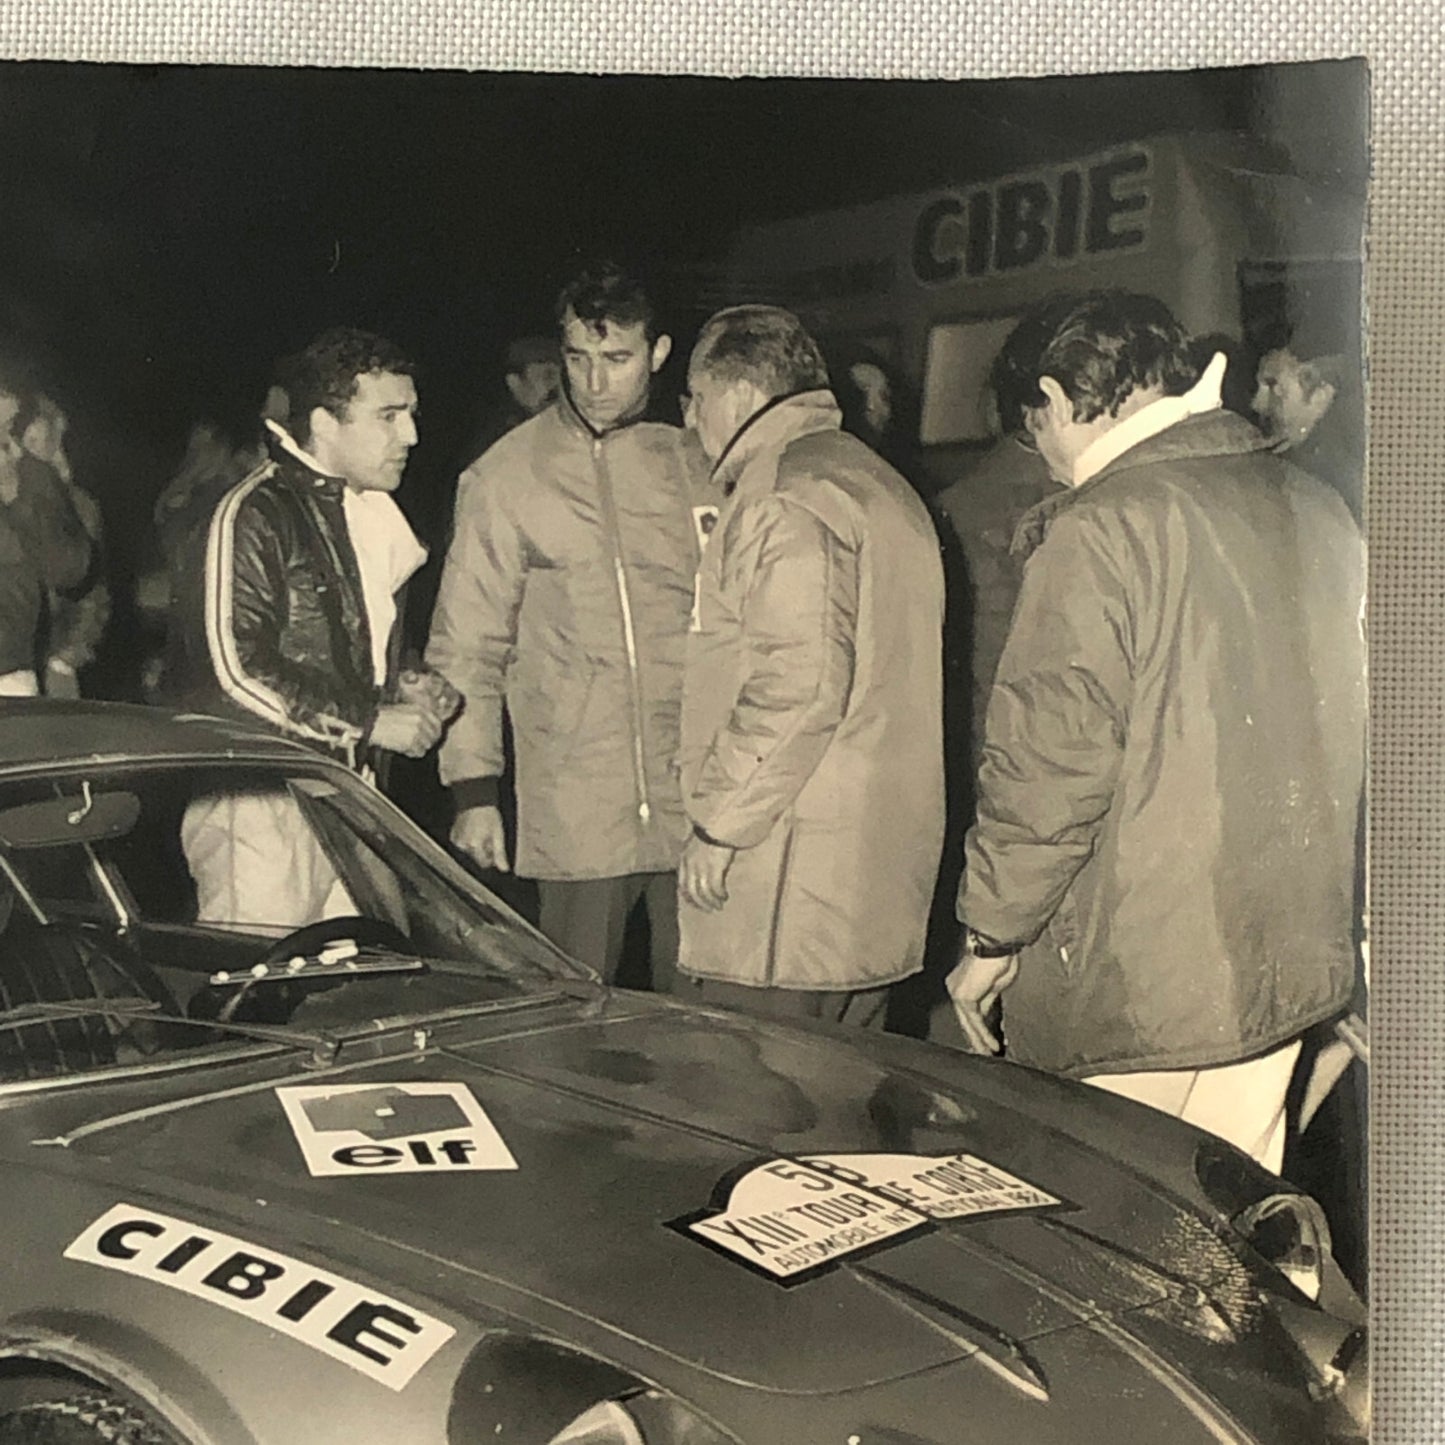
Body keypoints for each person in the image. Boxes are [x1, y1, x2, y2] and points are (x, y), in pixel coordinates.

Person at [945, 291, 1365, 1173]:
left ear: (1057, 402)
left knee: (1104, 1231)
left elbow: (1046, 773)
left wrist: (989, 938)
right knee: (1231, 1227)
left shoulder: (1099, 528)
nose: (1048, 464)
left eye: (1038, 435)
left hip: (1135, 979)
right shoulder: (1317, 504)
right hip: (1282, 963)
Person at [427, 262, 713, 986]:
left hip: (697, 799)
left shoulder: (697, 462)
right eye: (578, 360)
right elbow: (467, 640)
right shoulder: (505, 477)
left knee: (704, 1024)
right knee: (577, 1018)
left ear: (657, 352)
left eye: (616, 359)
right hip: (574, 799)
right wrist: (474, 790)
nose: (593, 381)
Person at [675, 304, 945, 1026]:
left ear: (734, 397)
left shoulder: (779, 497)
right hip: (866, 881)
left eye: (694, 401)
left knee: (748, 1108)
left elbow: (798, 683)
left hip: (785, 888)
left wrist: (717, 825)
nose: (690, 421)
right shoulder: (877, 481)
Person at [165, 327, 455, 926]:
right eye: (389, 416)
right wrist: (372, 719)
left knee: (358, 995)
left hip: (349, 799)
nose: (412, 435)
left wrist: (407, 682)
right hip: (260, 801)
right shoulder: (252, 513)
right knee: (259, 998)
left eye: (411, 414)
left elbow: (343, 646)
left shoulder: (365, 511)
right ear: (324, 424)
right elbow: (232, 673)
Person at [0, 380, 91, 697]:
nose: (11, 446)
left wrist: (18, 501)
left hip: (10, 675)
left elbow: (71, 572)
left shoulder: (33, 478)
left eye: (10, 427)